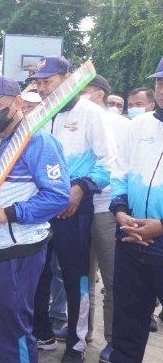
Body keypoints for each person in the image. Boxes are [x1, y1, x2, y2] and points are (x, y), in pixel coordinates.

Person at [0, 76, 71, 363]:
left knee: (12, 328)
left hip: (19, 248)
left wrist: (9, 213)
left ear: (18, 103)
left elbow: (58, 196)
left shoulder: (38, 142)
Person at [28, 56, 116, 363]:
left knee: (75, 275)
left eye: (47, 82)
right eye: (38, 82)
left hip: (74, 208)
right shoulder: (39, 114)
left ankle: (77, 344)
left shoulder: (90, 113)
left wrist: (79, 189)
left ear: (68, 78)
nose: (41, 88)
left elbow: (109, 164)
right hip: (41, 207)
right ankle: (41, 332)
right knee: (37, 272)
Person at [108, 57, 163, 363]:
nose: (162, 88)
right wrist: (119, 211)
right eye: (159, 81)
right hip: (130, 239)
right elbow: (121, 173)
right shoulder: (140, 125)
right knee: (127, 323)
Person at [77, 74, 132, 361]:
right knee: (82, 275)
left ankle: (114, 338)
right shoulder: (75, 119)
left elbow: (125, 167)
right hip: (79, 208)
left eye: (83, 91)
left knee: (112, 279)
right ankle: (82, 330)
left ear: (98, 94)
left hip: (108, 210)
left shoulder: (122, 125)